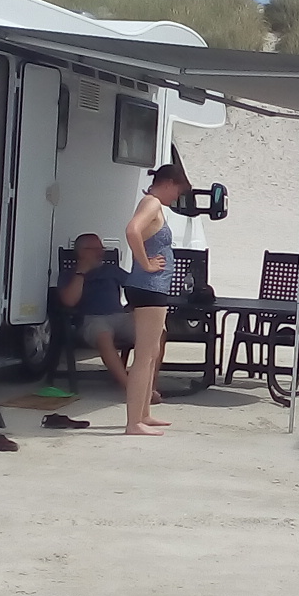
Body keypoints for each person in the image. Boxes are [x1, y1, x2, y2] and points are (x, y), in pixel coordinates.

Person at [122, 163, 193, 436]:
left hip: (153, 288)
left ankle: (144, 414)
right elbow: (132, 230)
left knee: (151, 352)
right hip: (148, 287)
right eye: (178, 191)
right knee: (143, 356)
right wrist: (146, 263)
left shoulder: (154, 205)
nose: (177, 197)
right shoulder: (151, 203)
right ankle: (133, 423)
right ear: (169, 183)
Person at [55, 233, 134, 390]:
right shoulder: (69, 274)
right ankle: (131, 387)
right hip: (91, 319)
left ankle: (148, 383)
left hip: (119, 316)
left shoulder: (111, 270)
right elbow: (69, 301)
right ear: (81, 252)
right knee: (103, 335)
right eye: (95, 249)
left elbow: (136, 287)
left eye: (102, 248)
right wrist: (81, 273)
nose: (101, 252)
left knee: (154, 331)